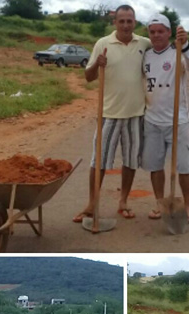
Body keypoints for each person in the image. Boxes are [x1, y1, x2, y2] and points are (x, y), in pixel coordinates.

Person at [72, 4, 151, 222]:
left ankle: (123, 201)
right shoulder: (102, 44)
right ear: (115, 22)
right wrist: (98, 64)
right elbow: (88, 77)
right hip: (109, 113)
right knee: (98, 161)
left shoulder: (144, 44)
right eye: (121, 21)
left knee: (130, 161)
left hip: (136, 114)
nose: (126, 25)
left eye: (130, 21)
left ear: (135, 23)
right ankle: (92, 203)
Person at [142, 14, 189, 224]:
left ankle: (188, 205)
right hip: (152, 120)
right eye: (152, 31)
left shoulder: (178, 54)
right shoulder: (146, 55)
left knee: (184, 167)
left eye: (161, 31)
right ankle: (160, 203)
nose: (156, 35)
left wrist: (185, 45)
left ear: (168, 32)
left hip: (178, 120)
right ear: (149, 33)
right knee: (156, 166)